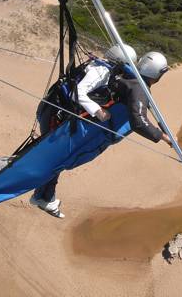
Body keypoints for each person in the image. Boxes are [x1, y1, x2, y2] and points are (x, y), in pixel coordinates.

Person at [0, 50, 173, 219]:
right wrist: (161, 137)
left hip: (77, 126)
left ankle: (42, 196)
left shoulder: (127, 78)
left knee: (47, 164)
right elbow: (138, 120)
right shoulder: (138, 88)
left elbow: (137, 109)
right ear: (159, 74)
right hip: (84, 133)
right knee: (40, 166)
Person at [29, 43, 137, 217]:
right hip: (54, 114)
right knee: (55, 158)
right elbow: (77, 93)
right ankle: (42, 196)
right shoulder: (102, 71)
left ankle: (43, 196)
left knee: (57, 159)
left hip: (54, 111)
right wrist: (99, 111)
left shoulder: (100, 65)